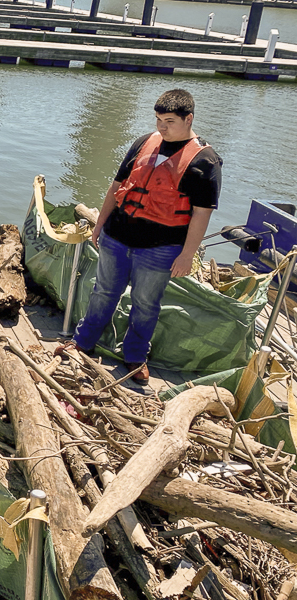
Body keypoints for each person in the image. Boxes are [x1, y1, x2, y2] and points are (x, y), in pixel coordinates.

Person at [65, 89, 222, 385]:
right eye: (159, 119)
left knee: (146, 303)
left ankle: (136, 357)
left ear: (189, 119)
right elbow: (117, 185)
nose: (162, 127)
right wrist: (100, 224)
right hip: (117, 236)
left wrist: (187, 254)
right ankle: (82, 342)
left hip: (160, 248)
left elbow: (202, 214)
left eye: (170, 121)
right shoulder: (143, 143)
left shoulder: (205, 161)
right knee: (103, 292)